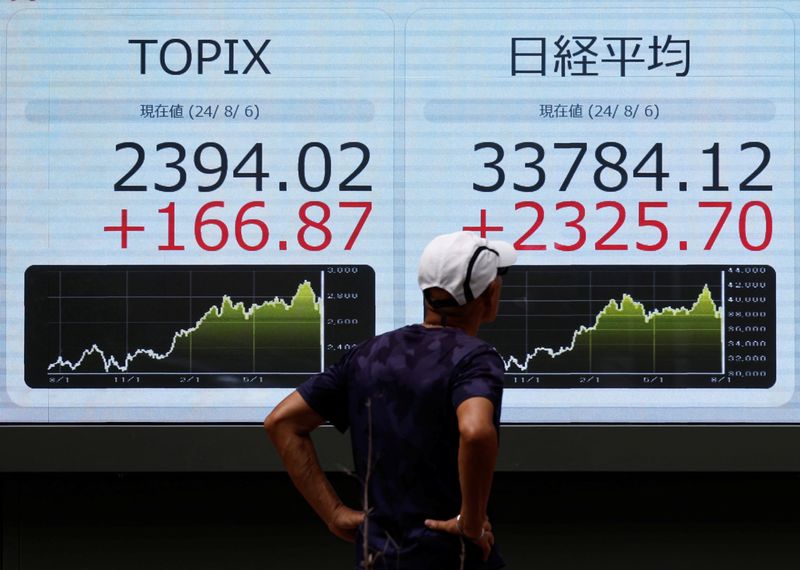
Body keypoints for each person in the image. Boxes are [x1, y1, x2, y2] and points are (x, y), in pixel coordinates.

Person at [265, 231, 515, 569]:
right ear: (490, 293)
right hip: (450, 557)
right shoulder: (475, 359)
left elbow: (282, 422)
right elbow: (475, 431)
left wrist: (334, 513)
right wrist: (470, 523)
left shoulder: (368, 354)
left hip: (377, 557)